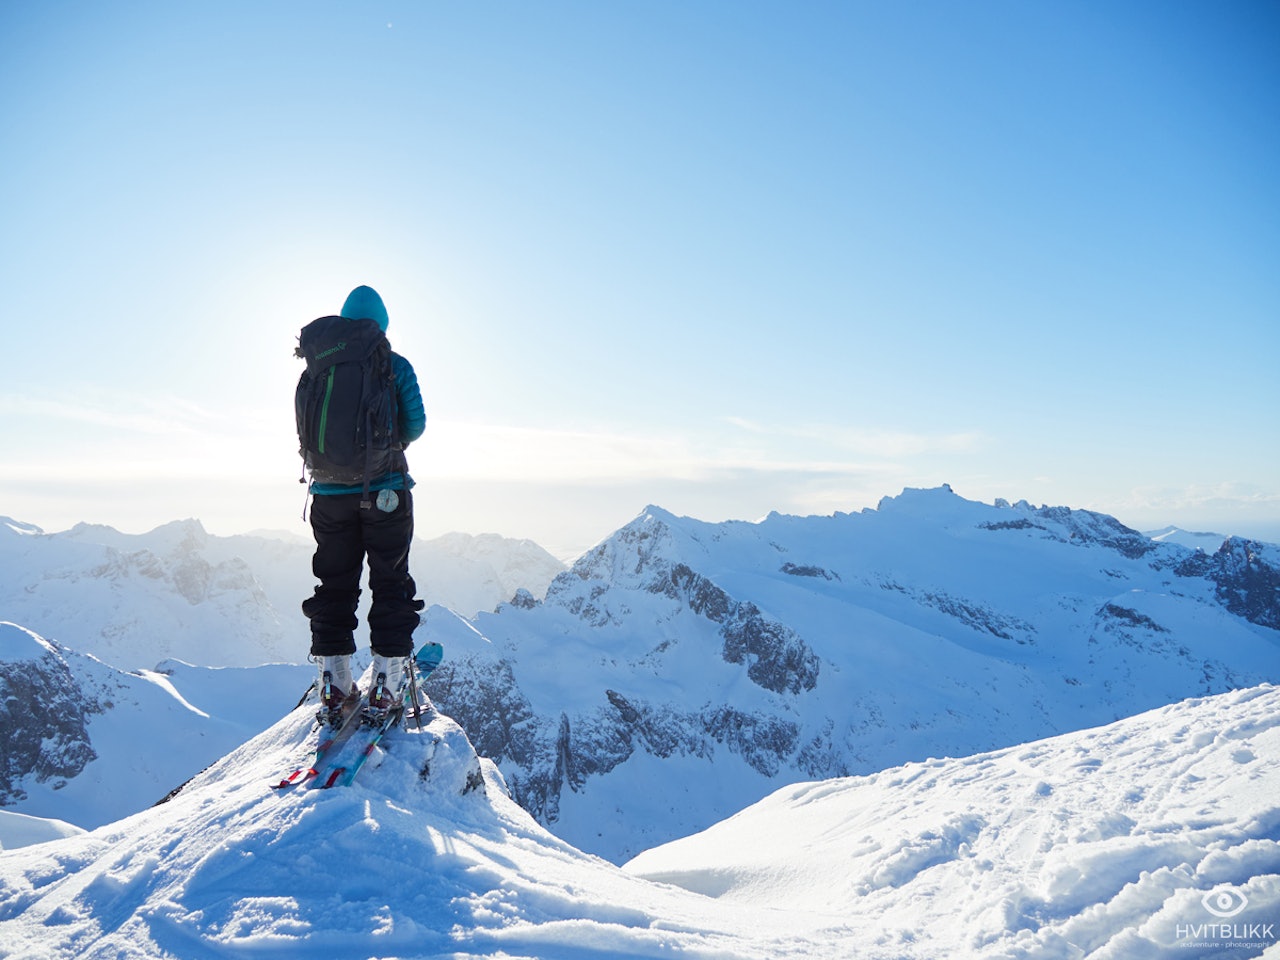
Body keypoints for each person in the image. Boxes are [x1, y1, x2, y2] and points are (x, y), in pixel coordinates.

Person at [300, 285, 427, 725]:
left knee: (334, 586)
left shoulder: (317, 369)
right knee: (390, 582)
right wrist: (387, 451)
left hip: (328, 496)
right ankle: (388, 685)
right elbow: (417, 423)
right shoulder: (393, 366)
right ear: (382, 326)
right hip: (386, 492)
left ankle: (334, 686)